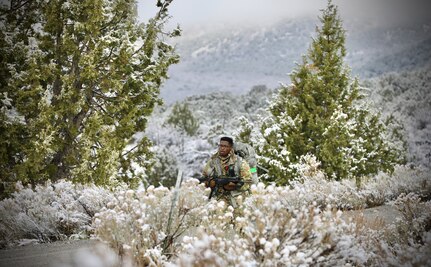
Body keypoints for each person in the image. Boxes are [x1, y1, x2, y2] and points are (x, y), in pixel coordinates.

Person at [202, 136, 252, 208]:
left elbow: (248, 181)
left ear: (231, 148)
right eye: (221, 145)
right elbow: (204, 177)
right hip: (217, 199)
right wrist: (209, 183)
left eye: (225, 146)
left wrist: (234, 186)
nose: (222, 148)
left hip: (237, 200)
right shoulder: (212, 162)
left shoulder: (239, 162)